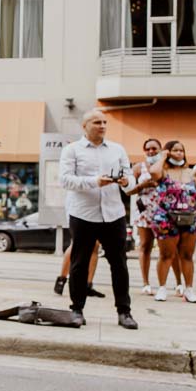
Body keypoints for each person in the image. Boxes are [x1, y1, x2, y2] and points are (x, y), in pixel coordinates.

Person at [59, 110, 136, 329]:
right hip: (83, 213)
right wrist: (95, 182)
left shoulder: (117, 149)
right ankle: (76, 309)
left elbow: (130, 180)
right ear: (85, 126)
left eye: (104, 122)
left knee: (119, 263)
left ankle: (124, 312)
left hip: (114, 214)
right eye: (96, 122)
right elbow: (65, 180)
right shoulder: (72, 150)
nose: (102, 126)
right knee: (80, 262)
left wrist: (125, 182)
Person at [144, 140, 196, 303]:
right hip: (166, 217)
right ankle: (162, 287)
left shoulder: (191, 172)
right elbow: (154, 172)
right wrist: (163, 156)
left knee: (187, 255)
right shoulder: (163, 171)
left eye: (181, 151)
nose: (179, 153)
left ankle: (189, 289)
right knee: (166, 255)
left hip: (189, 217)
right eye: (175, 150)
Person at [130, 137, 162, 295]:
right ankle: (146, 283)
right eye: (148, 148)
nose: (151, 151)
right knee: (145, 246)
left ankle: (169, 283)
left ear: (160, 150)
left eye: (154, 148)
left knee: (167, 249)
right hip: (144, 212)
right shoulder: (138, 167)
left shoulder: (165, 166)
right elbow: (128, 190)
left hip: (163, 211)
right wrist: (143, 185)